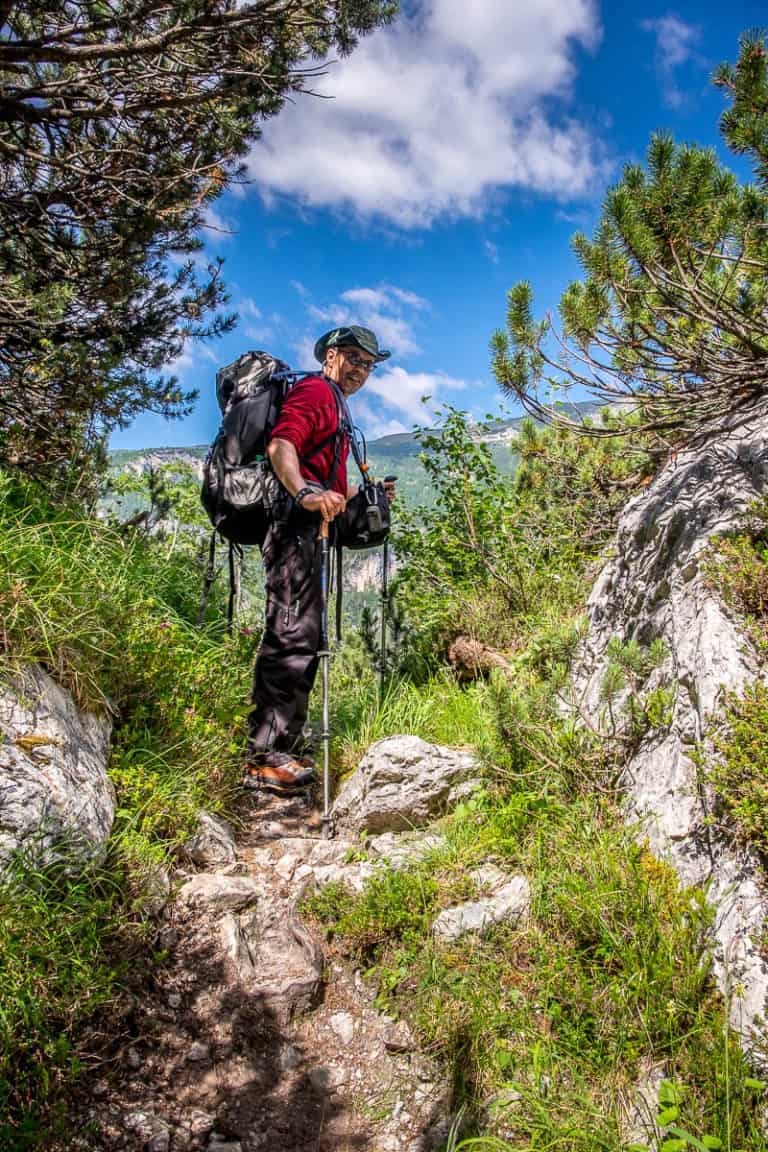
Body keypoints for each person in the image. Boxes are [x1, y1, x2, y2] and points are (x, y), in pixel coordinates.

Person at [242, 325, 394, 795]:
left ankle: (286, 745)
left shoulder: (336, 406)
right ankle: (263, 757)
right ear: (331, 356)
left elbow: (328, 478)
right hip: (293, 527)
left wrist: (361, 497)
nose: (361, 370)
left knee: (306, 634)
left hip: (311, 533)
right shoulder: (315, 391)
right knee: (291, 634)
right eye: (353, 358)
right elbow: (280, 445)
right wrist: (304, 492)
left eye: (369, 364)